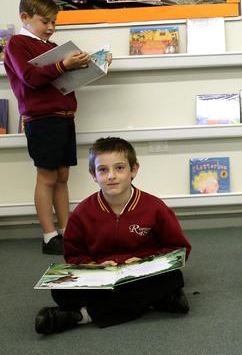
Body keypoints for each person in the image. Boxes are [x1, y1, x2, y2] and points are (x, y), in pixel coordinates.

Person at [34, 137, 192, 335]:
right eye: (103, 170)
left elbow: (178, 250)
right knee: (60, 291)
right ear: (93, 174)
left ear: (133, 170)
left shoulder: (155, 208)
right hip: (102, 275)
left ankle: (80, 316)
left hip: (141, 275)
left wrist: (145, 261)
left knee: (172, 278)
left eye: (119, 168)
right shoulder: (82, 213)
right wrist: (93, 266)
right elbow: (73, 255)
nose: (111, 176)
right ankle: (157, 300)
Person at [4, 0, 98, 254]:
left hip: (63, 117)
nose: (51, 28)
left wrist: (92, 65)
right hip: (42, 120)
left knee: (62, 175)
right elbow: (31, 77)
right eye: (45, 22)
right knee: (46, 177)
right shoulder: (16, 44)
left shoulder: (50, 47)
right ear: (25, 17)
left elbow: (61, 78)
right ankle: (49, 235)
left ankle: (67, 231)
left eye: (54, 22)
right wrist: (63, 65)